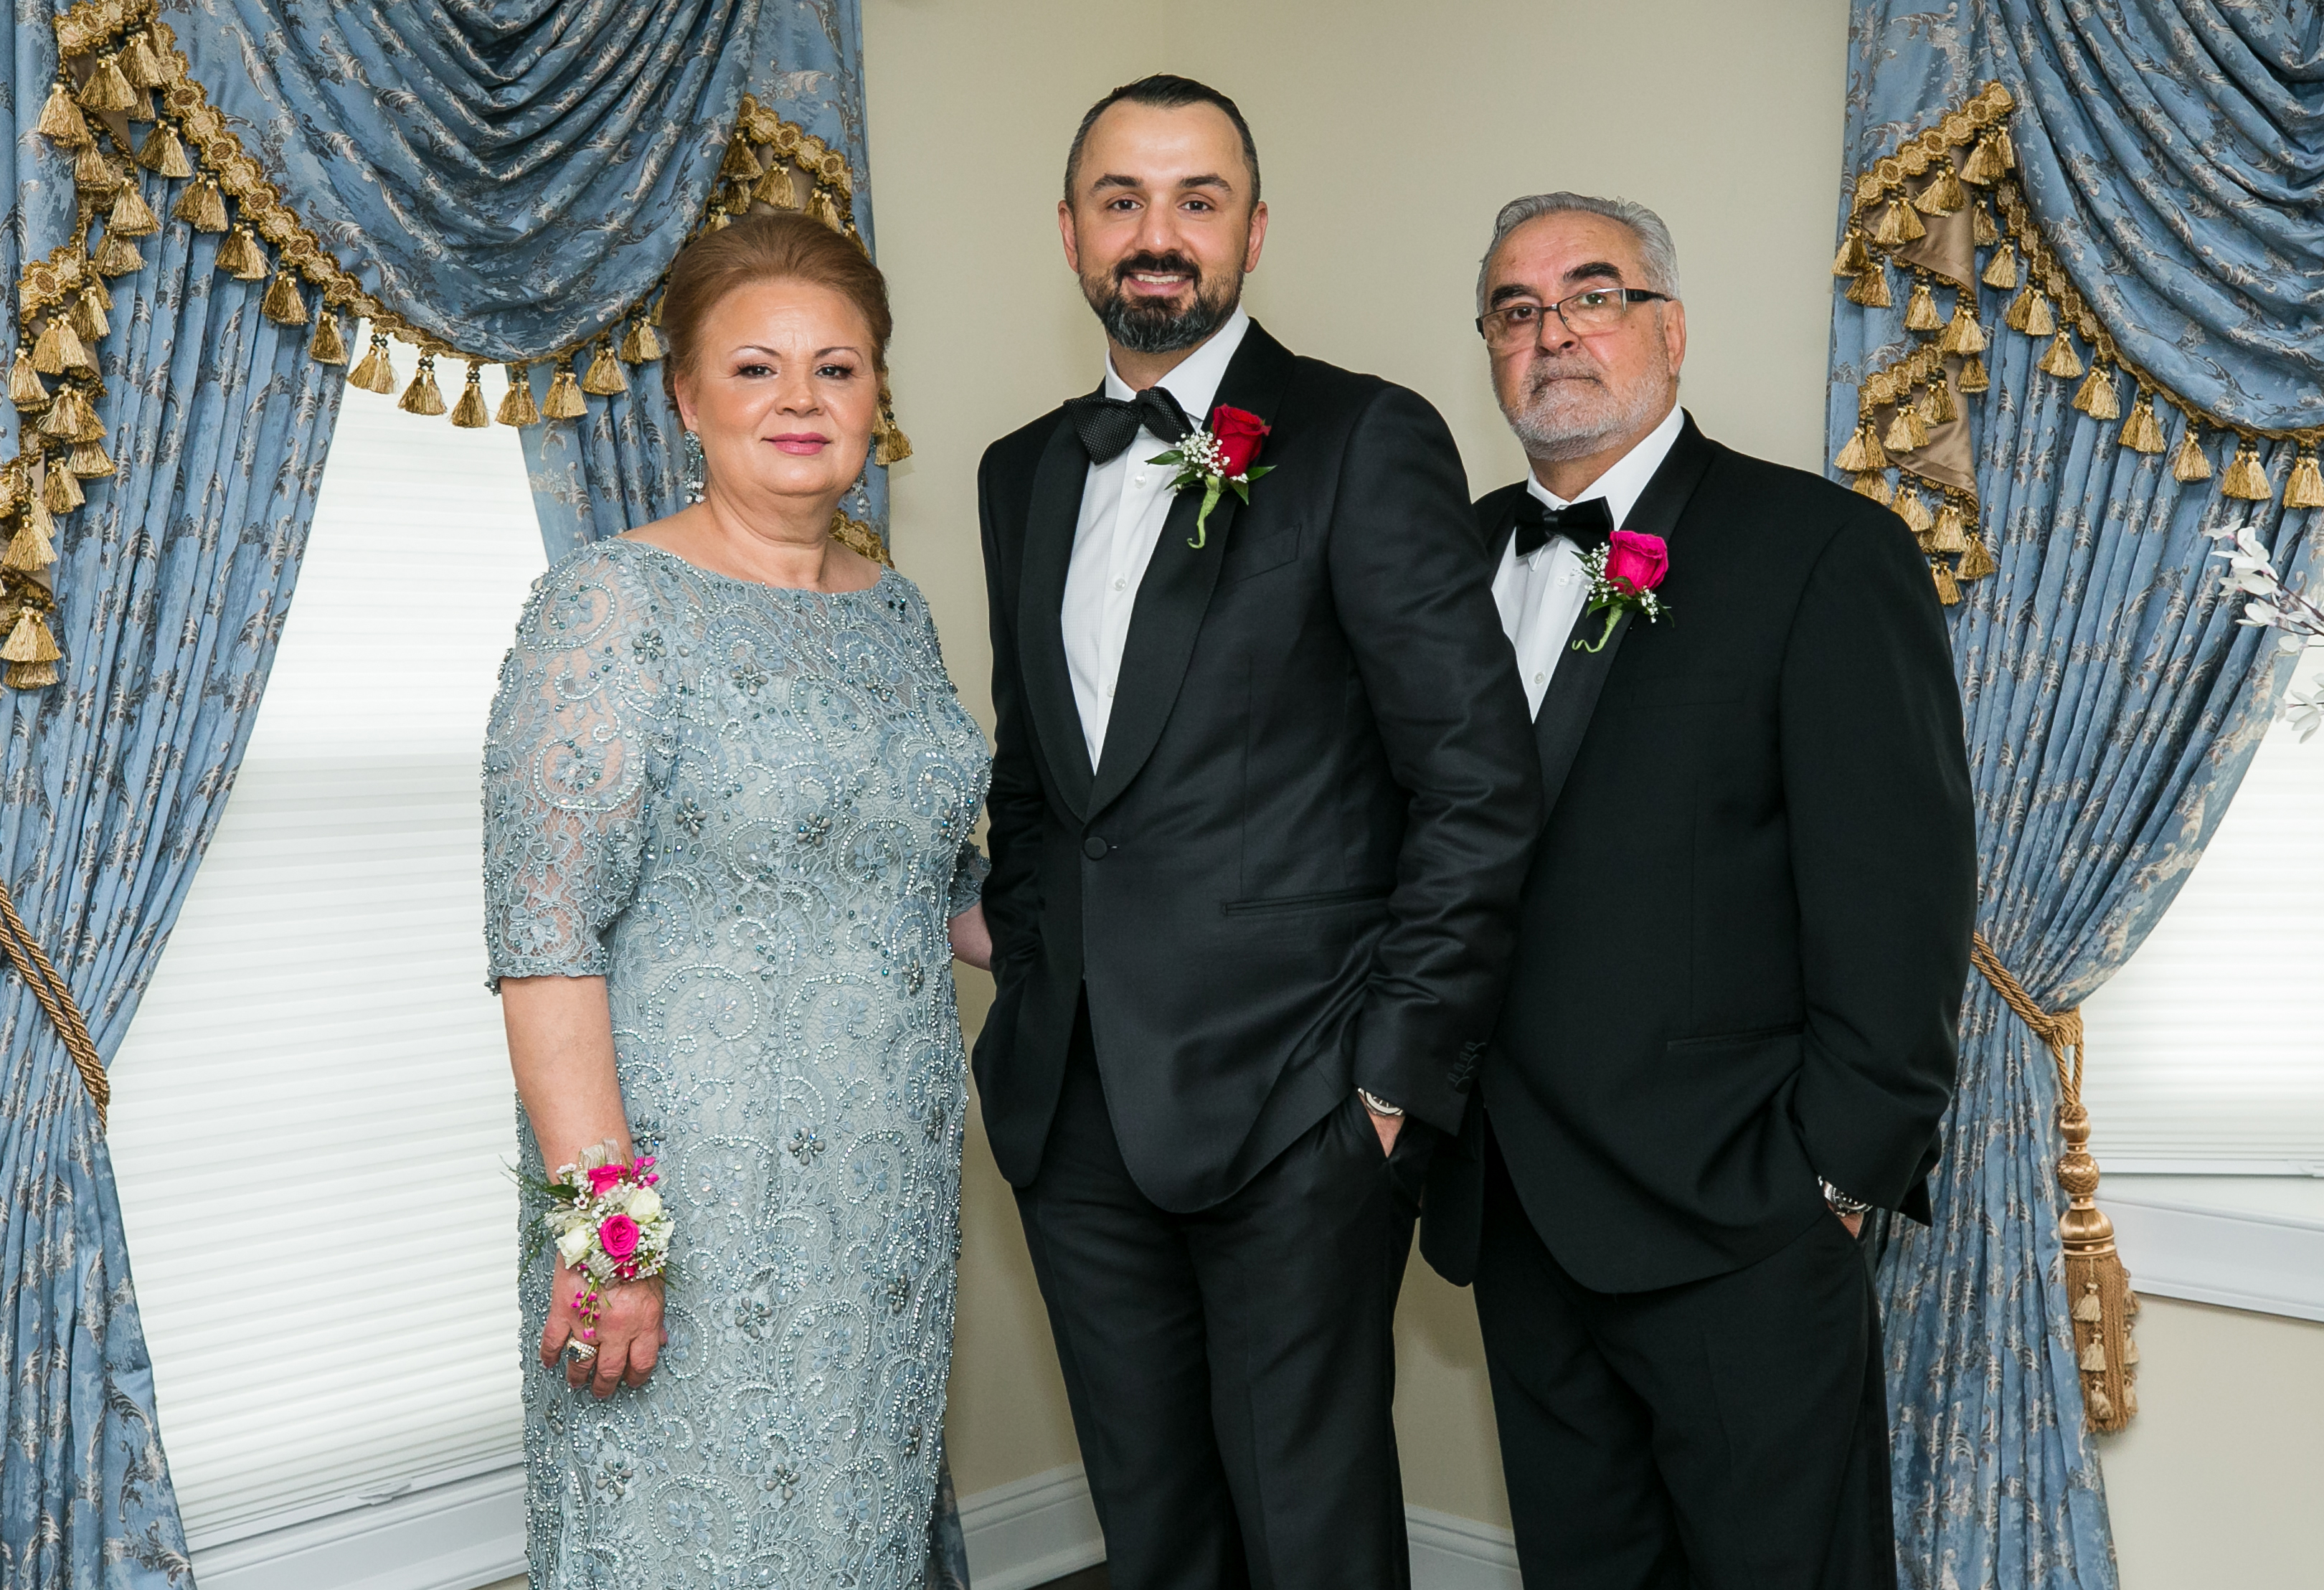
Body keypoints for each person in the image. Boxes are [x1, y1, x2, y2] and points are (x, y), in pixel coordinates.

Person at [973, 75, 1539, 1590]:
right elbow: (1035, 779)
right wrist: (1032, 979)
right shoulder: (1021, 471)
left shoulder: (1363, 436)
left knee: (1308, 1536)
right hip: (1072, 1107)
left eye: (1196, 199)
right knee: (1153, 1531)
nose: (1157, 234)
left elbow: (1477, 782)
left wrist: (1388, 1083)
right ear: (1071, 231)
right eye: (1122, 200)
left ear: (1254, 230)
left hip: (1302, 1104)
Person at [1419, 192, 1975, 1589]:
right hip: (1514, 1207)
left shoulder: (1824, 552)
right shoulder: (1440, 564)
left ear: (1669, 329)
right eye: (1514, 309)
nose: (1552, 331)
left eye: (1591, 294)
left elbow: (1898, 894)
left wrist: (1833, 1176)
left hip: (1738, 1213)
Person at [482, 212, 992, 1590]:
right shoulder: (610, 608)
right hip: (686, 1195)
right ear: (687, 400)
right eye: (756, 368)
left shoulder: (897, 616)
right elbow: (544, 941)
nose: (799, 399)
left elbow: (945, 893)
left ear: (876, 396)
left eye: (837, 367)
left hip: (884, 1193)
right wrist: (614, 1234)